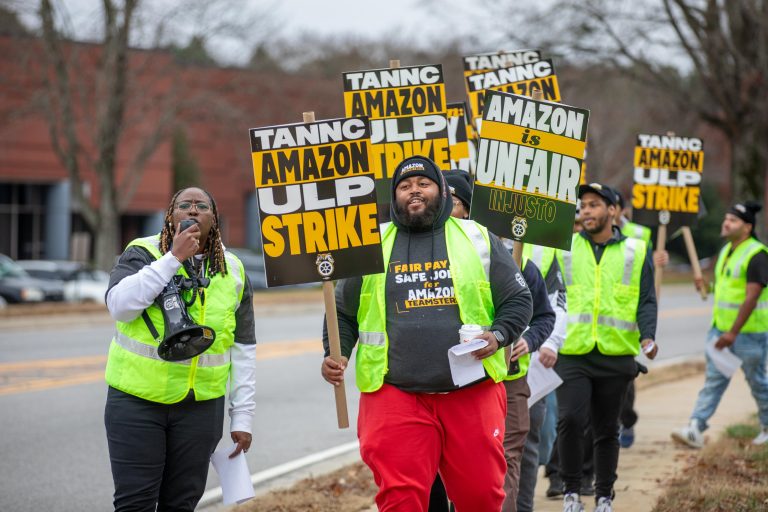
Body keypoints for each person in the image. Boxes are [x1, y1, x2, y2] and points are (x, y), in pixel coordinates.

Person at [321, 156, 533, 512]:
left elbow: (518, 300)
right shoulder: (370, 246)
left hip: (471, 393)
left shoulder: (477, 237)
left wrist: (498, 336)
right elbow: (342, 312)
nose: (414, 191)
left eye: (423, 184)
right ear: (395, 196)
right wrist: (338, 352)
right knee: (400, 501)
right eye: (405, 186)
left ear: (442, 192)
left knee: (481, 497)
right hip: (395, 394)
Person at [104, 187, 257, 511]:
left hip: (201, 408)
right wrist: (173, 258)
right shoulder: (142, 252)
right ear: (170, 216)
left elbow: (243, 347)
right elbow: (119, 307)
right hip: (137, 402)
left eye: (202, 206)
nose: (192, 210)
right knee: (135, 503)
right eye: (184, 205)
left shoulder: (233, 270)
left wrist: (242, 417)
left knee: (182, 503)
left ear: (213, 219)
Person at [441, 169, 557, 512]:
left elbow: (544, 315)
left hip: (508, 379)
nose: (444, 207)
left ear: (468, 209)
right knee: (457, 465)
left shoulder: (509, 260)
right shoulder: (424, 260)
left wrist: (528, 339)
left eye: (453, 201)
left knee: (506, 457)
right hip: (454, 385)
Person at [557, 183, 658, 512]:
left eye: (594, 205)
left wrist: (648, 336)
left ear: (613, 211)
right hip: (573, 350)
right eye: (583, 205)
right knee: (571, 420)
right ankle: (571, 491)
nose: (586, 211)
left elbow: (646, 299)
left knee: (606, 430)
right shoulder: (566, 246)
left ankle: (603, 496)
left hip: (616, 354)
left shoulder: (636, 250)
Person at [671, 201, 768, 448]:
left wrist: (733, 333)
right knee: (714, 381)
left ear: (747, 227)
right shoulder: (727, 250)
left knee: (757, 383)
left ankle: (766, 426)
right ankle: (695, 427)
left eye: (733, 220)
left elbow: (751, 296)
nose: (726, 222)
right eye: (726, 217)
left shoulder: (757, 254)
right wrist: (707, 286)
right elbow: (727, 290)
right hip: (721, 331)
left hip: (747, 334)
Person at [612, 190, 667, 449]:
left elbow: (647, 269)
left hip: (626, 316)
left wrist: (659, 261)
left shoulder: (639, 234)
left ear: (620, 209)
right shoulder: (582, 236)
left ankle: (627, 420)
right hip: (594, 317)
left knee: (625, 383)